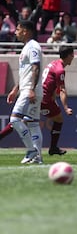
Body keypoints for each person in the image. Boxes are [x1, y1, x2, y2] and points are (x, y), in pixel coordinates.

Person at [1, 20, 43, 164]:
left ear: (26, 31)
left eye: (18, 29)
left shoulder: (32, 47)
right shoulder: (27, 47)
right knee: (33, 124)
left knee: (14, 119)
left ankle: (31, 150)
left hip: (30, 90)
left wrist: (30, 89)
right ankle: (38, 158)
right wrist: (15, 89)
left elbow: (36, 68)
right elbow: (27, 71)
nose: (15, 31)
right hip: (28, 89)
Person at [41, 45, 74, 155]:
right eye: (72, 55)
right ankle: (53, 148)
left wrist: (53, 96)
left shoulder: (54, 63)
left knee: (22, 120)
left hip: (40, 95)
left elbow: (51, 83)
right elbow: (62, 90)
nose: (73, 57)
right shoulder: (60, 70)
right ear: (68, 55)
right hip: (44, 98)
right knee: (59, 119)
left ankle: (53, 148)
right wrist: (66, 108)